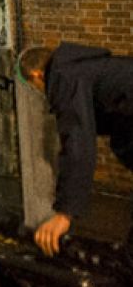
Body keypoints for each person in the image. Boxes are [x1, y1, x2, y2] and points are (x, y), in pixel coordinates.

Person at [19, 43, 133, 255]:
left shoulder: (64, 78)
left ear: (37, 76)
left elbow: (77, 143)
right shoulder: (87, 67)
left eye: (35, 88)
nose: (42, 94)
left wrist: (65, 213)